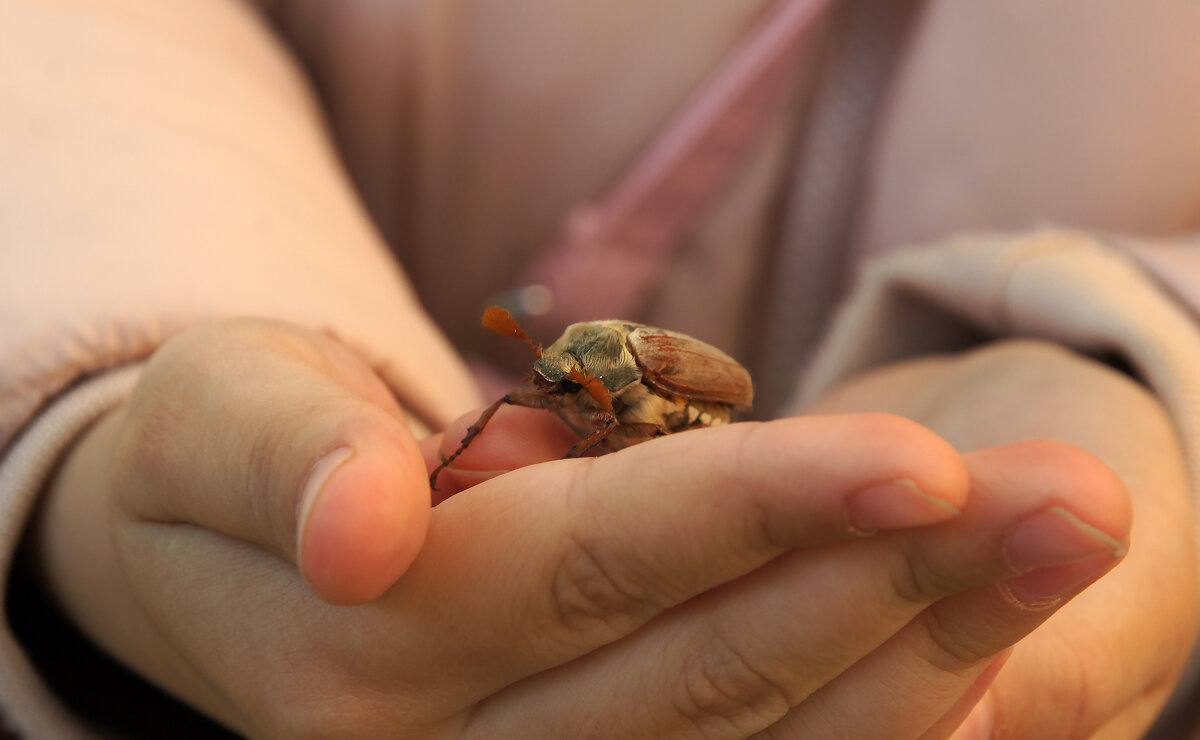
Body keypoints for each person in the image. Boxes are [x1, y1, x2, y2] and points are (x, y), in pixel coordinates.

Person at [2, 0, 1198, 737]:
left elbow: (689, 407)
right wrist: (102, 387)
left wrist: (1147, 352)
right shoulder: (574, 380)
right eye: (566, 383)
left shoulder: (636, 384)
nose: (567, 394)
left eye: (578, 385)